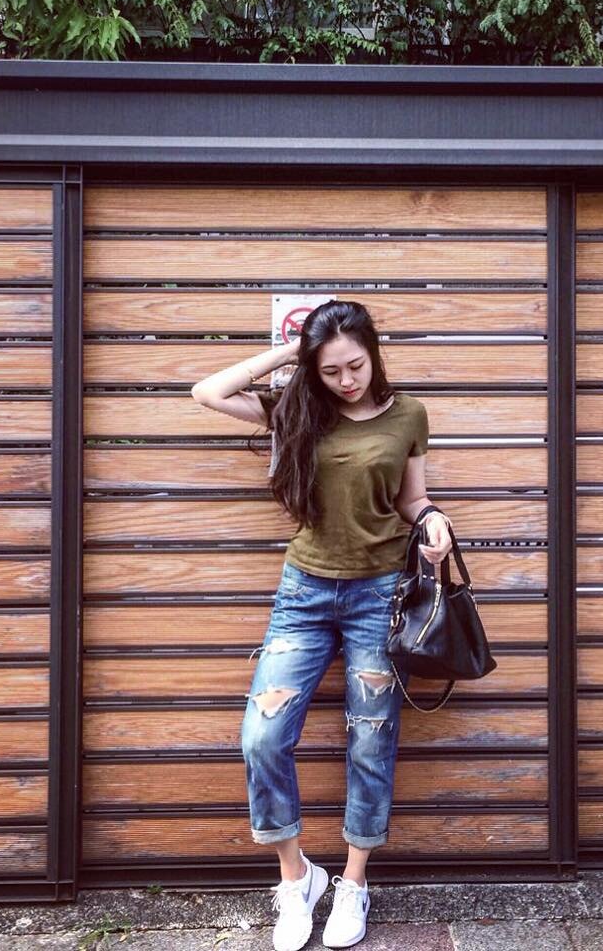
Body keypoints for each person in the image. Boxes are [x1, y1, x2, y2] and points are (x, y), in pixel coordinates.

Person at [190, 300, 453, 951]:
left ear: (374, 354)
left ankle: (355, 882)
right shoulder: (298, 409)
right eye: (330, 369)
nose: (346, 380)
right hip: (303, 594)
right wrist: (291, 352)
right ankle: (298, 877)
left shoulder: (408, 414)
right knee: (262, 737)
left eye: (355, 365)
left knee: (371, 739)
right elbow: (208, 391)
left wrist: (433, 521)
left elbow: (412, 498)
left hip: (379, 595)